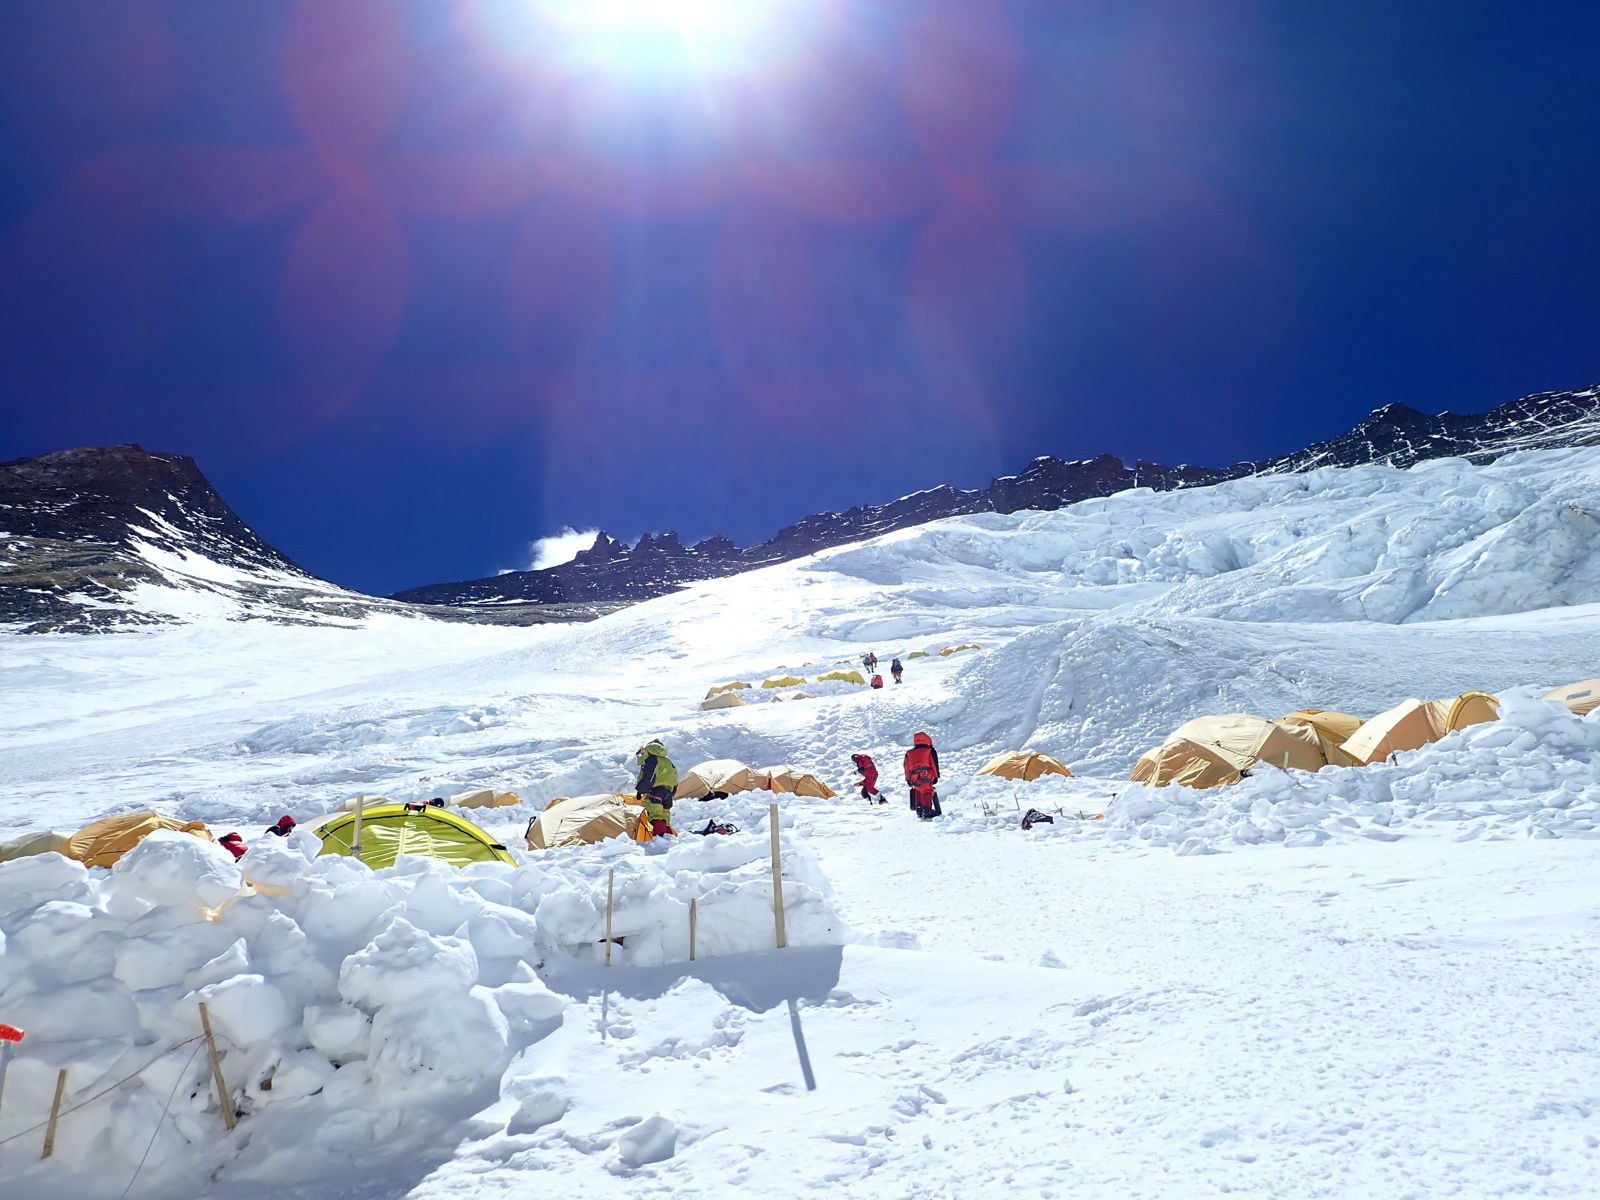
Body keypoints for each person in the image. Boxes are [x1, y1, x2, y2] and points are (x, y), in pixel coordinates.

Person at [635, 738, 679, 836]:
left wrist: (640, 790)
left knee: (656, 816)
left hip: (656, 792)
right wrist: (670, 794)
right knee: (665, 818)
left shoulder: (652, 760)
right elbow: (675, 780)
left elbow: (648, 777)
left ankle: (660, 841)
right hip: (668, 793)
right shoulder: (668, 762)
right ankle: (669, 839)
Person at [903, 731, 943, 819]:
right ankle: (927, 810)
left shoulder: (909, 753)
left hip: (914, 776)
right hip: (926, 774)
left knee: (918, 791)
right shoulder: (929, 751)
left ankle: (919, 810)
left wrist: (908, 779)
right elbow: (934, 764)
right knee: (927, 791)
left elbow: (906, 767)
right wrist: (936, 776)